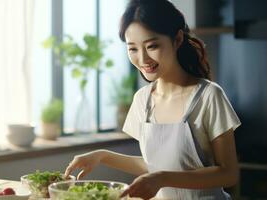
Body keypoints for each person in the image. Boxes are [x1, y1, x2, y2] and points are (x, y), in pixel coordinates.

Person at [64, 0, 241, 199]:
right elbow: (155, 164)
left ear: (177, 39)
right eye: (132, 49)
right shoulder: (142, 100)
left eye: (152, 46)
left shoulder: (209, 96)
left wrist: (161, 178)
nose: (143, 59)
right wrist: (102, 156)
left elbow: (228, 174)